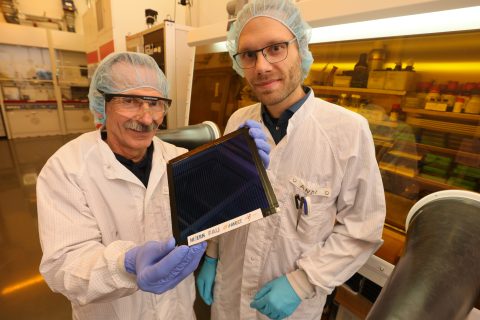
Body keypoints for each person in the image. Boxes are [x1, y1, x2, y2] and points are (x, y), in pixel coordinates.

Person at [36, 52, 269, 319]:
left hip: (177, 310)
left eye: (156, 103)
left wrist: (242, 177)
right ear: (103, 103)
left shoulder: (178, 158)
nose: (147, 119)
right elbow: (64, 267)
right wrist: (126, 263)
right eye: (130, 101)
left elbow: (208, 218)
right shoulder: (67, 170)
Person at [196, 1, 386, 319]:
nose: (262, 66)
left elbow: (362, 229)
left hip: (292, 307)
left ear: (300, 47)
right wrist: (212, 255)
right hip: (229, 293)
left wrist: (301, 282)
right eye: (249, 54)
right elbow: (224, 205)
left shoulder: (347, 131)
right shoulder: (238, 121)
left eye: (275, 48)